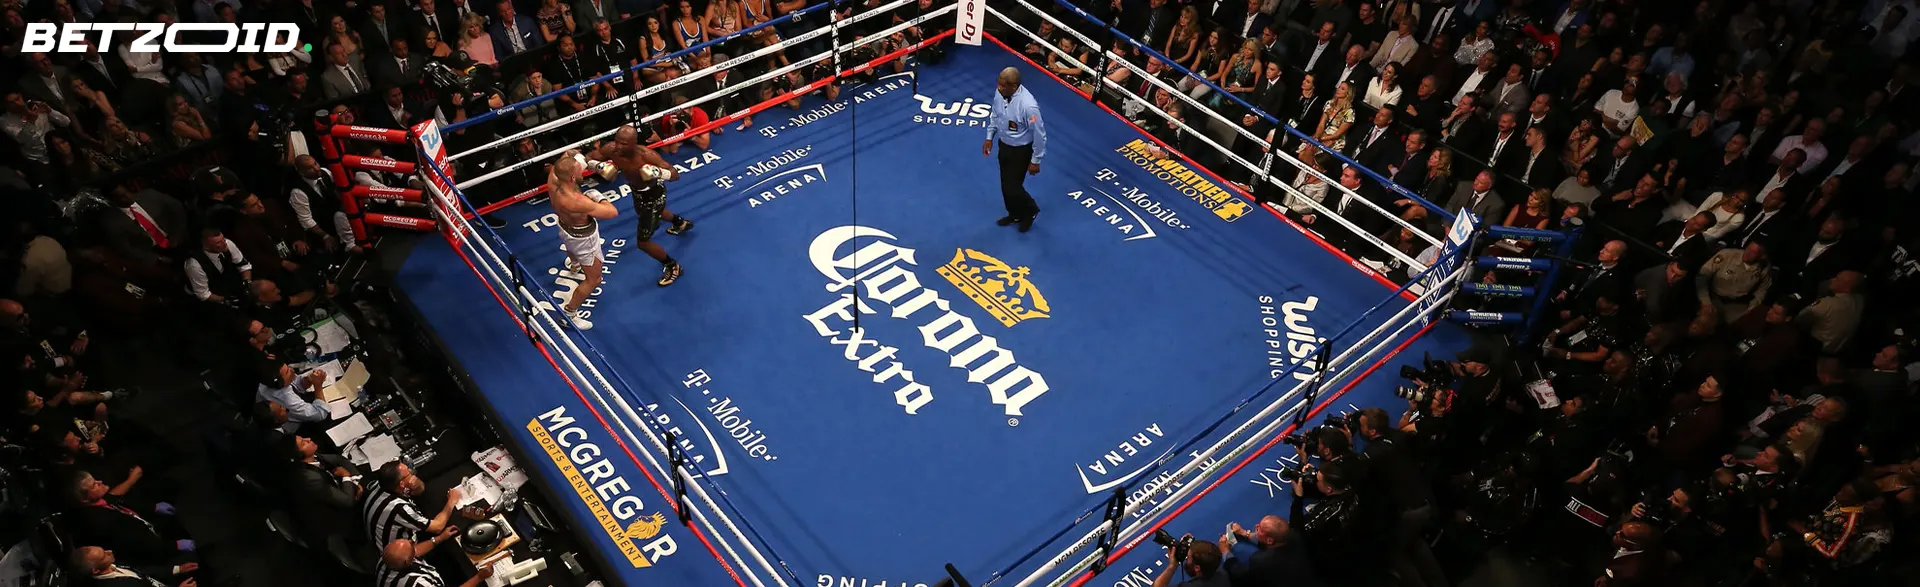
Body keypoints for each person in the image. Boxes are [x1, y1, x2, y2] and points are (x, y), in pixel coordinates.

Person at [585, 126, 692, 287]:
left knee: (643, 243)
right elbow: (588, 157)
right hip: (637, 192)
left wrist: (658, 172)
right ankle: (679, 222)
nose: (619, 146)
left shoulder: (646, 155)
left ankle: (672, 266)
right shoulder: (611, 149)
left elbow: (675, 174)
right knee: (648, 213)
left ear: (634, 143)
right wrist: (598, 166)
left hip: (654, 195)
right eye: (618, 142)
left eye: (624, 144)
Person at [546, 151, 619, 329]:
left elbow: (567, 155)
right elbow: (612, 212)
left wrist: (584, 159)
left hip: (564, 227)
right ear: (572, 177)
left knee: (570, 245)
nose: (582, 172)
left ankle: (574, 264)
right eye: (579, 171)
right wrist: (597, 196)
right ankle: (569, 314)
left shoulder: (553, 179)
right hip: (583, 239)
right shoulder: (577, 201)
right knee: (594, 279)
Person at [984, 67, 1047, 232]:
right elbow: (995, 114)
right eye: (998, 84)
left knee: (1013, 187)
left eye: (1002, 86)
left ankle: (1030, 210)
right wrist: (990, 136)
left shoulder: (1028, 106)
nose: (998, 88)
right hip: (1004, 145)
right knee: (1006, 185)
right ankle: (1015, 214)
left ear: (1014, 86)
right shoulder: (1001, 93)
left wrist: (1036, 160)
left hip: (1020, 151)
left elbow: (1039, 134)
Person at [363, 461, 464, 549]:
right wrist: (452, 501)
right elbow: (438, 527)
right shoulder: (399, 508)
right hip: (397, 554)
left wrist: (413, 483)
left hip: (378, 536)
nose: (412, 472)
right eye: (409, 472)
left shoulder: (382, 484)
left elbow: (420, 489)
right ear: (402, 484)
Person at [1218, 515, 1322, 587]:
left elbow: (1238, 572)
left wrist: (1226, 551)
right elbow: (1270, 543)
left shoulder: (1261, 560)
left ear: (1269, 540)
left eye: (1260, 529)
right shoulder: (1296, 537)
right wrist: (1245, 533)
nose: (1256, 526)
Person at [379, 537, 492, 587]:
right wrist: (479, 577)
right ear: (408, 561)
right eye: (411, 545)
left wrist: (438, 539)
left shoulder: (387, 559)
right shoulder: (419, 584)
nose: (411, 541)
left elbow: (414, 551)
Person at [70, 546, 197, 587]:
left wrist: (176, 569)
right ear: (95, 570)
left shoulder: (111, 563)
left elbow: (141, 571)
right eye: (104, 555)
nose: (110, 551)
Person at [1150, 537, 1227, 587]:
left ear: (1197, 568)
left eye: (1188, 558)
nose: (1185, 559)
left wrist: (1172, 566)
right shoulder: (1223, 574)